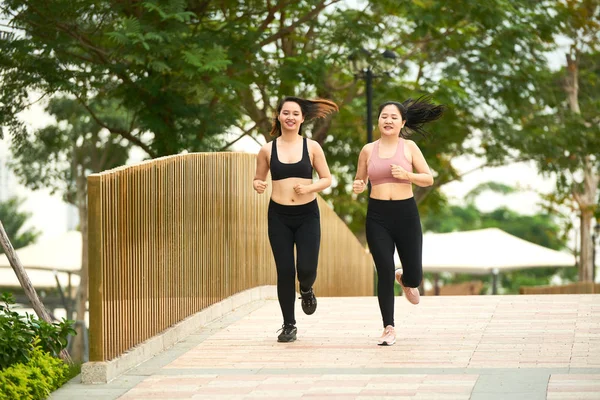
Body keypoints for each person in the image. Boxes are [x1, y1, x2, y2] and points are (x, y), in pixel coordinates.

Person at [353, 96, 444, 346]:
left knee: (415, 276)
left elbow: (428, 178)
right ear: (378, 121)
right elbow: (360, 181)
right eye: (384, 116)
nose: (388, 120)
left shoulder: (410, 148)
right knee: (383, 271)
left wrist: (407, 175)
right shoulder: (368, 150)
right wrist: (358, 186)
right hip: (377, 216)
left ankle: (405, 279)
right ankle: (388, 327)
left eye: (394, 117)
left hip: (406, 215)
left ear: (403, 122)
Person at [253, 96, 338, 343]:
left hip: (307, 215)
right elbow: (258, 178)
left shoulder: (311, 147)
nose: (290, 117)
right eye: (285, 113)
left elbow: (326, 179)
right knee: (285, 271)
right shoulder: (267, 149)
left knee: (307, 269)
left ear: (302, 118)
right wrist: (258, 184)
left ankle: (307, 288)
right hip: (278, 215)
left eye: (295, 113)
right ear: (278, 116)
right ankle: (289, 324)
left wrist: (309, 189)